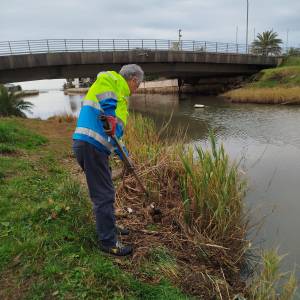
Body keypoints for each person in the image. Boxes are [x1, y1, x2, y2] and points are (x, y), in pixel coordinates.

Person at [72, 64, 144, 256]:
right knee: (103, 195)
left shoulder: (121, 99)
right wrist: (110, 114)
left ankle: (109, 226)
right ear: (134, 79)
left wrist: (125, 157)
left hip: (93, 148)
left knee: (105, 191)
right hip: (91, 146)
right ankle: (108, 242)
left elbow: (115, 137)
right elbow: (103, 79)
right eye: (138, 85)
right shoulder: (113, 80)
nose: (136, 89)